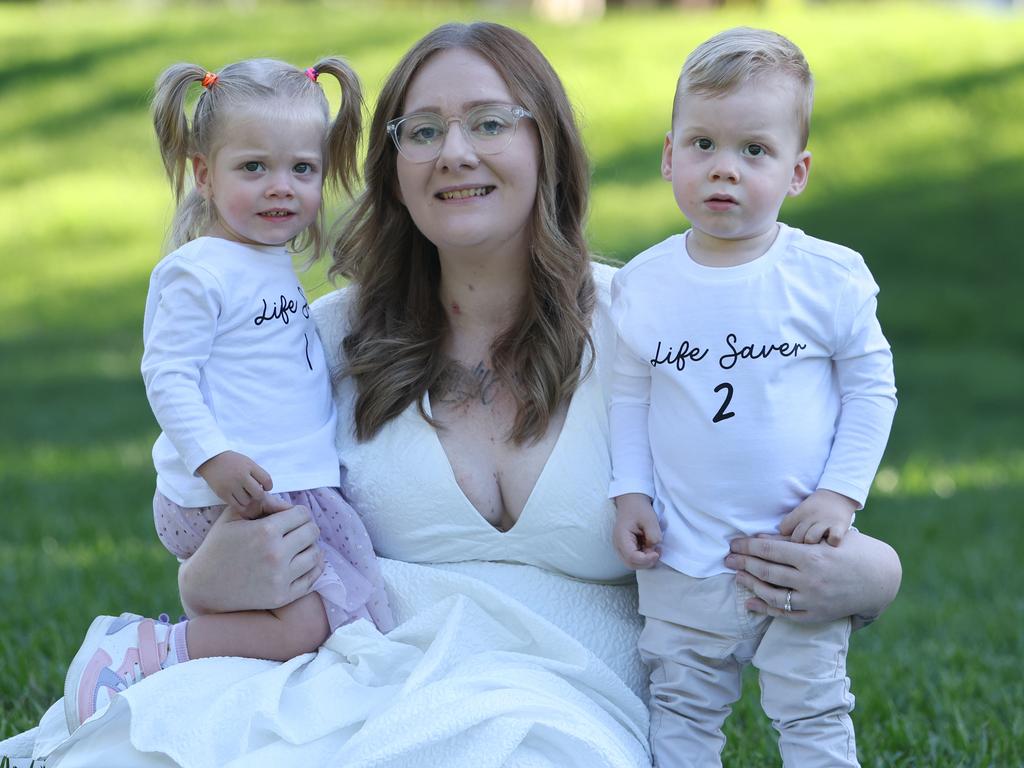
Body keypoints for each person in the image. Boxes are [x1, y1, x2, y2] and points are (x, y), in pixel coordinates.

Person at [2, 22, 901, 768]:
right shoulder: (316, 338)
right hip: (353, 679)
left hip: (556, 711)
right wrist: (203, 582)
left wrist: (869, 575)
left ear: (546, 142)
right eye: (422, 130)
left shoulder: (652, 321)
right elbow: (220, 519)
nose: (454, 151)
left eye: (489, 122)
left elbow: (777, 484)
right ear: (391, 165)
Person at [61, 56, 394, 734]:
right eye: (254, 169)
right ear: (203, 173)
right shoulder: (196, 271)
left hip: (287, 483)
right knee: (306, 621)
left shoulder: (266, 259)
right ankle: (154, 650)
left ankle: (236, 679)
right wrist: (214, 457)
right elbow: (168, 374)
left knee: (333, 613)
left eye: (302, 169)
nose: (282, 188)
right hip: (228, 489)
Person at [609, 27, 897, 767]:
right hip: (684, 551)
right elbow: (628, 396)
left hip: (797, 553)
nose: (724, 170)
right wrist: (630, 491)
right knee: (679, 707)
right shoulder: (643, 284)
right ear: (670, 155)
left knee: (813, 710)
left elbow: (871, 386)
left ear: (796, 172)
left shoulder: (824, 277)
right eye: (702, 145)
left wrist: (841, 497)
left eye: (754, 151)